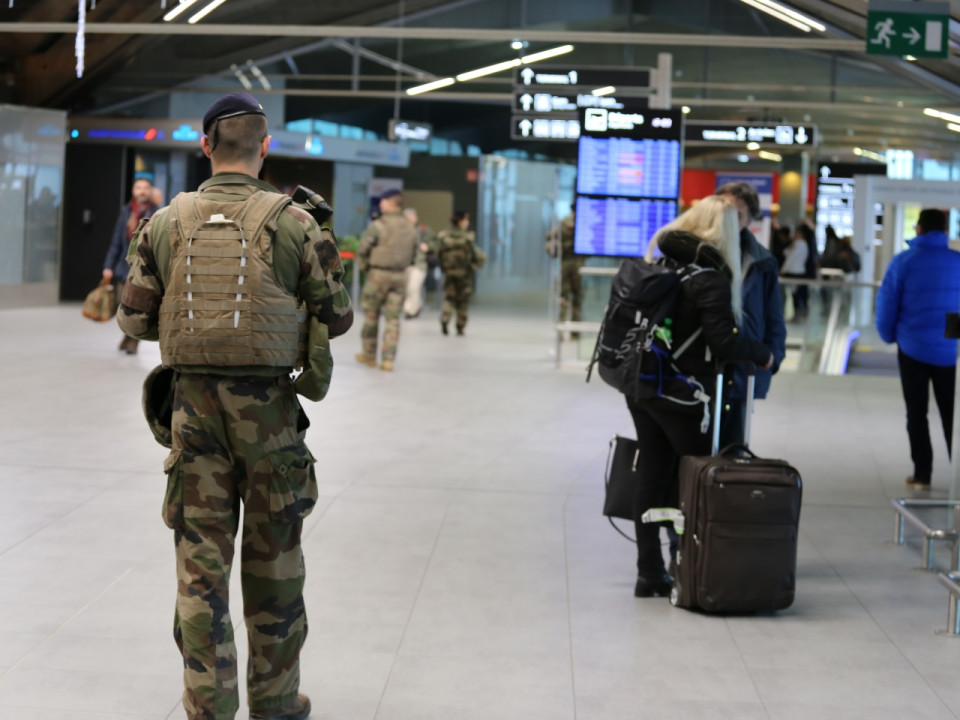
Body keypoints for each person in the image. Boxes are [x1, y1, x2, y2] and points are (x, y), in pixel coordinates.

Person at [118, 91, 354, 720]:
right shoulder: (295, 222)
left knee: (200, 570)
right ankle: (275, 702)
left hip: (193, 414)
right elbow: (338, 317)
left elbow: (133, 320)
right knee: (276, 565)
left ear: (205, 146)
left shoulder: (164, 222)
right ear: (265, 147)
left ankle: (208, 705)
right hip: (271, 419)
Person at [628, 196, 774, 598]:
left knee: (652, 473)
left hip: (644, 386)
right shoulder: (708, 278)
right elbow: (724, 342)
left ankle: (648, 572)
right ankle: (688, 564)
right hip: (683, 394)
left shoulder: (661, 265)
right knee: (693, 477)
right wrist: (762, 353)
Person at [876, 208, 960, 488]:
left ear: (919, 228)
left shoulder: (903, 261)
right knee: (952, 413)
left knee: (916, 411)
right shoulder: (957, 262)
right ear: (945, 231)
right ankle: (958, 474)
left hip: (912, 348)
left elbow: (887, 304)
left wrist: (888, 335)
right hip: (949, 351)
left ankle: (922, 474)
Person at [713, 182, 787, 447]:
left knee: (732, 451)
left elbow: (773, 317)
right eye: (723, 212)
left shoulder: (761, 262)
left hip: (741, 374)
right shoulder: (695, 252)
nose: (728, 220)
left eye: (737, 214)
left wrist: (771, 358)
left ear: (749, 220)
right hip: (699, 374)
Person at [356, 189, 418, 371]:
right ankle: (388, 360)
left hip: (378, 275)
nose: (381, 204)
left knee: (371, 315)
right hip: (400, 276)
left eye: (383, 201)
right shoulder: (410, 226)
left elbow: (363, 248)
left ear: (391, 202)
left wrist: (365, 267)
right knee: (393, 319)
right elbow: (414, 253)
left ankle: (369, 356)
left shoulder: (378, 225)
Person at [103, 176, 158, 354]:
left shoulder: (157, 213)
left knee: (139, 305)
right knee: (122, 303)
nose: (142, 191)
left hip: (145, 267)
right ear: (133, 191)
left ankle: (134, 341)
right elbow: (116, 241)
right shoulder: (126, 211)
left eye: (145, 188)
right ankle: (128, 335)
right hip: (123, 267)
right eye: (138, 188)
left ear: (150, 191)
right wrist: (108, 266)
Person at [437, 211, 486, 336]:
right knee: (463, 301)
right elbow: (479, 256)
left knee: (449, 298)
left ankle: (445, 317)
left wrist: (443, 267)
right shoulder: (468, 237)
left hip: (449, 273)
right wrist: (474, 266)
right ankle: (460, 326)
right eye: (466, 220)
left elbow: (439, 254)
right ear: (461, 221)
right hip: (465, 274)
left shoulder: (444, 236)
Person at [546, 206, 584, 326]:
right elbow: (550, 241)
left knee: (567, 296)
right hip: (575, 264)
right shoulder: (581, 222)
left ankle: (564, 325)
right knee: (572, 297)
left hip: (569, 264)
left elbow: (550, 240)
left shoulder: (564, 223)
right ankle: (570, 328)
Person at [402, 207, 436, 319]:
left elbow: (436, 243)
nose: (408, 219)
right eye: (406, 217)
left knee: (413, 287)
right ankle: (417, 306)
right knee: (407, 289)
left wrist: (428, 246)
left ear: (415, 218)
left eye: (411, 216)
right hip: (404, 264)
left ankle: (410, 311)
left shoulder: (424, 230)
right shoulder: (400, 231)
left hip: (419, 264)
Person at [781, 225, 812, 319]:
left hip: (793, 272)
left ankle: (796, 315)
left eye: (796, 233)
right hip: (799, 272)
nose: (794, 235)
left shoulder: (799, 244)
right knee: (797, 295)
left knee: (794, 295)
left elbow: (790, 258)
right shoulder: (804, 244)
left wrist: (783, 270)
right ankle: (799, 314)